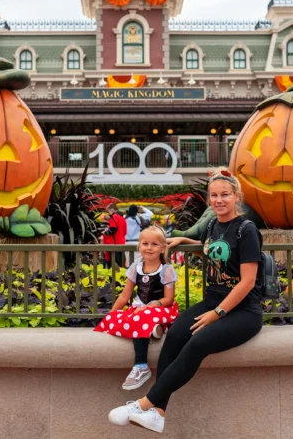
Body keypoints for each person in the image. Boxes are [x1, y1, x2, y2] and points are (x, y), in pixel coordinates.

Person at [108, 167, 263, 434]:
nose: (219, 200)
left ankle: (144, 404)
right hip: (211, 302)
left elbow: (247, 281)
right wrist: (183, 239)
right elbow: (212, 249)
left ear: (236, 196)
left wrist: (218, 313)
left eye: (225, 194)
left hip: (242, 311)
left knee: (197, 343)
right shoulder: (214, 224)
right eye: (214, 195)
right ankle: (158, 413)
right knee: (176, 335)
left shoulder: (247, 230)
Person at [95, 225, 178, 391]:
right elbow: (125, 296)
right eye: (145, 244)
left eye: (154, 244)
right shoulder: (135, 267)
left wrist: (151, 306)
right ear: (139, 246)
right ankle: (156, 328)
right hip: (140, 310)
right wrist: (112, 313)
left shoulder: (166, 270)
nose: (149, 248)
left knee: (141, 317)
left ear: (163, 248)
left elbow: (169, 299)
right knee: (116, 319)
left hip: (161, 307)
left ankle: (141, 366)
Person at [102, 203, 127, 269]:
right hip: (121, 243)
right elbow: (125, 232)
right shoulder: (122, 218)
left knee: (112, 266)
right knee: (121, 265)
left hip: (113, 244)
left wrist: (105, 232)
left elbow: (113, 229)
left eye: (108, 211)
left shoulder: (114, 217)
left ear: (112, 210)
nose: (108, 213)